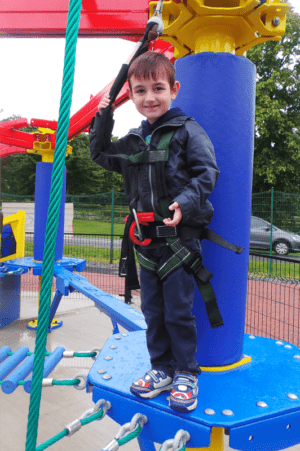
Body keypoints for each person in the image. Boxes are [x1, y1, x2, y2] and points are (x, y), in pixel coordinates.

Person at [89, 51, 219, 413]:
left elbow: (207, 173)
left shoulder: (187, 131)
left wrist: (186, 202)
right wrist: (103, 115)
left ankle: (187, 374)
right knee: (152, 310)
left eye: (158, 88)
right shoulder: (132, 141)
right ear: (130, 95)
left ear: (173, 89)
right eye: (140, 90)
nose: (150, 97)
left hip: (178, 241)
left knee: (179, 310)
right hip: (145, 244)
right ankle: (161, 368)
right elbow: (99, 154)